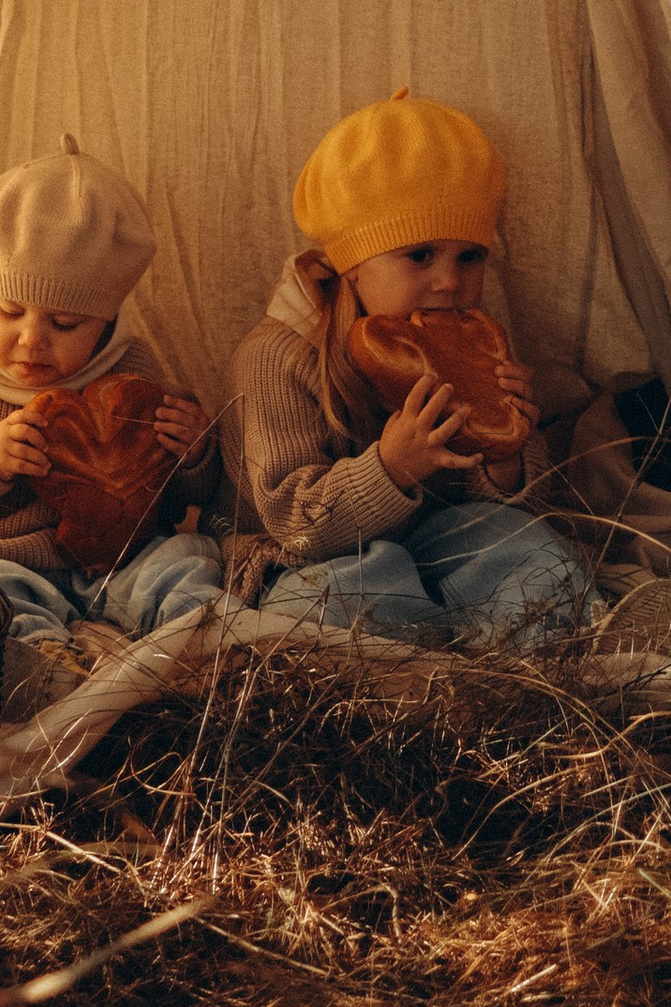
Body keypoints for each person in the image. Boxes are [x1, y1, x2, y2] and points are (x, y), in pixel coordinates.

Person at [225, 88, 591, 647]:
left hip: (439, 543)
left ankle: (516, 656)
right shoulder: (278, 355)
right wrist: (391, 468)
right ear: (350, 267)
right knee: (344, 594)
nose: (449, 282)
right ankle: (430, 673)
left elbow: (511, 507)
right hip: (311, 560)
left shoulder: (469, 338)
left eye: (469, 257)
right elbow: (289, 520)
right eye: (419, 256)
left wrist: (508, 450)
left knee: (529, 546)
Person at [0, 134, 221, 699]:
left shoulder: (129, 369)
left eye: (66, 324)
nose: (32, 340)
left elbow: (170, 499)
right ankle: (52, 679)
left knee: (185, 557)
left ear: (104, 320)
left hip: (116, 563)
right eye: (11, 311)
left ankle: (206, 655)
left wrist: (191, 455)